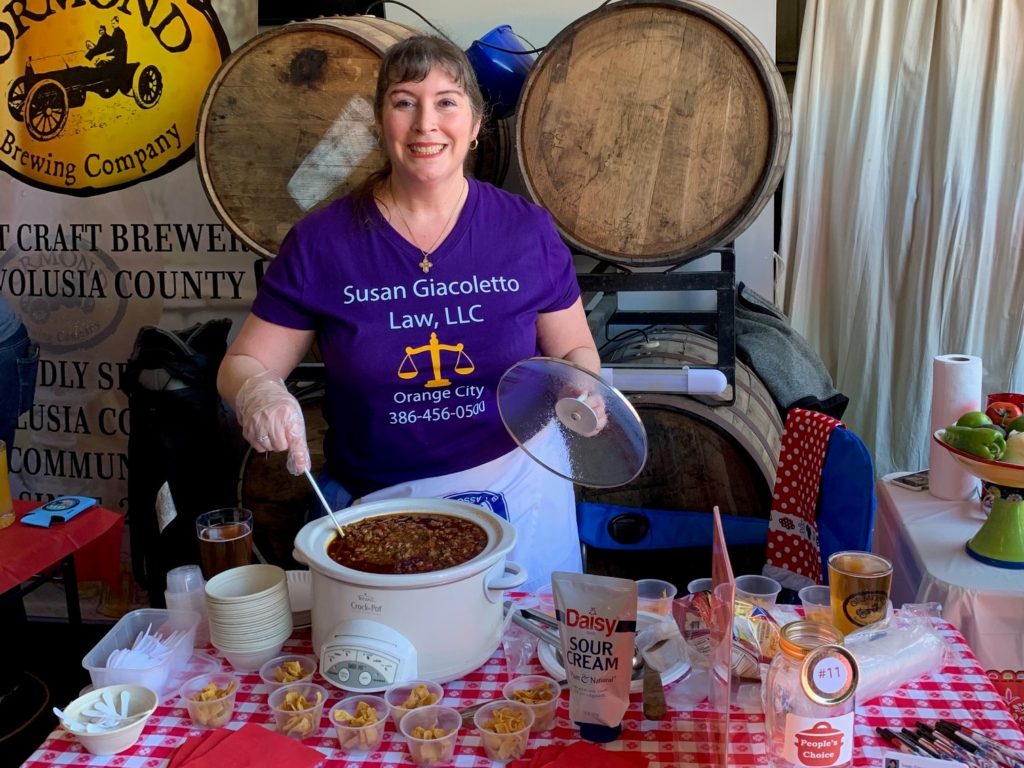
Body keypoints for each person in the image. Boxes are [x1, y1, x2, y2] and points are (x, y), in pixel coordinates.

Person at [217, 35, 601, 591]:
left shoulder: (527, 231)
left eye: (447, 101)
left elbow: (572, 349)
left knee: (522, 671)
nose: (426, 123)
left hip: (521, 490)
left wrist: (580, 383)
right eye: (404, 102)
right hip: (378, 505)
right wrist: (258, 391)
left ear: (474, 127)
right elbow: (243, 363)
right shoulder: (323, 243)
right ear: (380, 123)